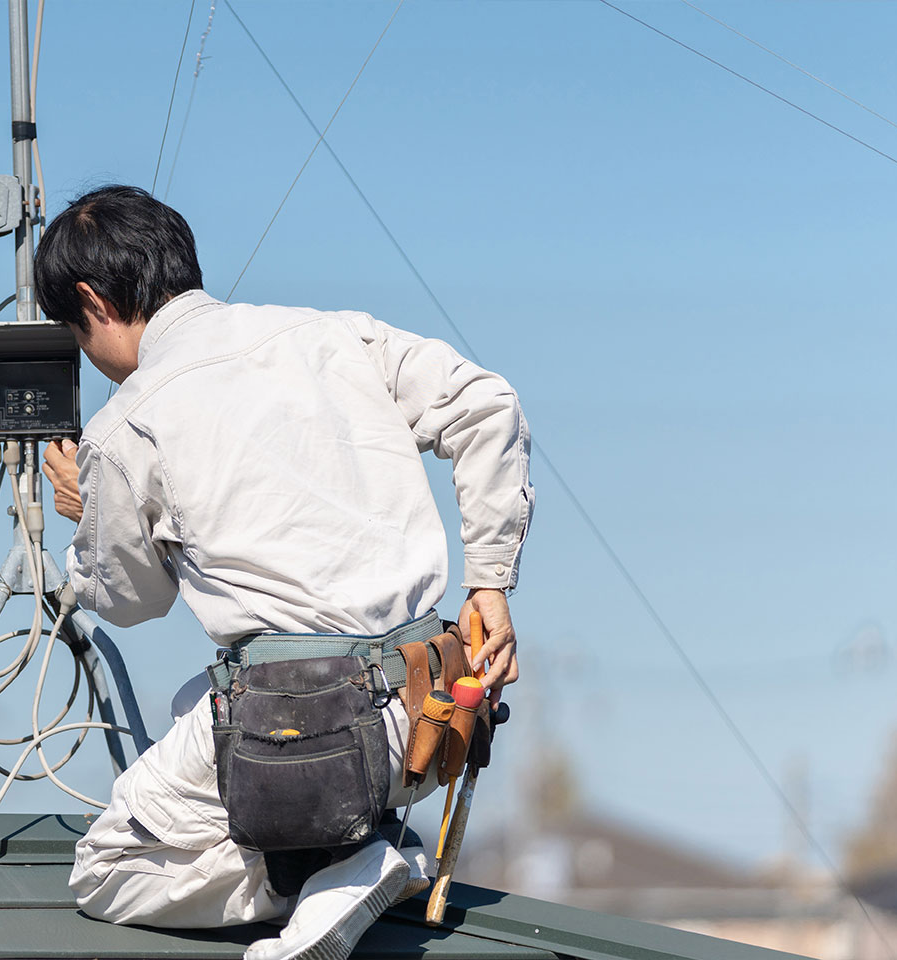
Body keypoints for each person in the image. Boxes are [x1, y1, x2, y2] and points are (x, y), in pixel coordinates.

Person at [36, 185, 531, 960]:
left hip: (300, 740)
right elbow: (487, 403)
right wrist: (490, 581)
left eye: (73, 328)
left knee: (108, 866)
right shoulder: (335, 335)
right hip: (425, 716)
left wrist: (85, 514)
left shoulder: (125, 424)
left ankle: (314, 876)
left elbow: (132, 602)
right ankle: (346, 854)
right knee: (191, 702)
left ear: (93, 301)